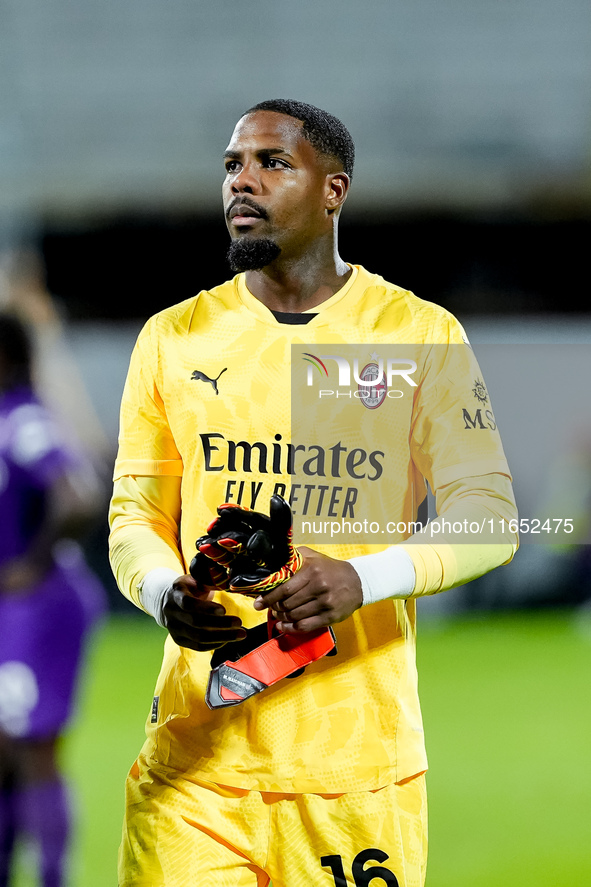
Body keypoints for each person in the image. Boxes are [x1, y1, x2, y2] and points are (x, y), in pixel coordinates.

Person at [109, 99, 518, 887]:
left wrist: (359, 579)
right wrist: (164, 593)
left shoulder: (416, 333)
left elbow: (490, 519)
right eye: (232, 164)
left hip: (357, 770)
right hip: (197, 764)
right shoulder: (175, 338)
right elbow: (134, 516)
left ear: (333, 190)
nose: (242, 181)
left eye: (272, 163)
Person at [0, 313, 106, 887]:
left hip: (39, 606)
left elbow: (79, 495)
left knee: (33, 745)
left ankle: (50, 877)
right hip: (10, 611)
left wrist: (30, 566)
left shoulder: (25, 423)